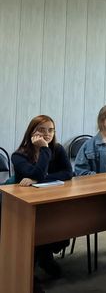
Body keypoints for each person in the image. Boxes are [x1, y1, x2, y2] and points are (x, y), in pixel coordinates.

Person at [11, 115, 73, 282]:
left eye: (51, 130)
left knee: (62, 223)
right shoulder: (19, 155)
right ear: (32, 132)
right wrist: (44, 149)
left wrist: (39, 179)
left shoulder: (58, 149)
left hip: (52, 201)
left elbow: (68, 173)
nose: (47, 134)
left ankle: (45, 256)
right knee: (37, 230)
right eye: (42, 130)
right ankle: (28, 271)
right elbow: (36, 173)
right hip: (25, 207)